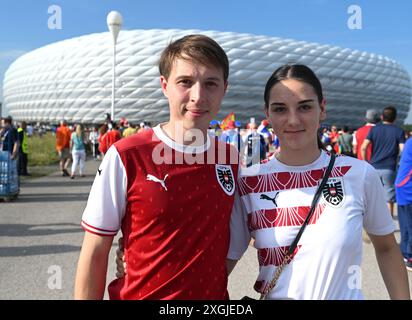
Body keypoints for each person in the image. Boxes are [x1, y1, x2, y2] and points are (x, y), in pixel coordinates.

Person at [74, 34, 239, 300]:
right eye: (185, 82)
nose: (198, 96)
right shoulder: (127, 155)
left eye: (211, 84)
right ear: (164, 85)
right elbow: (95, 250)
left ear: (225, 88)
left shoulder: (231, 160)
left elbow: (248, 232)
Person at [227, 64, 409, 299]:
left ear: (322, 109)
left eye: (304, 107)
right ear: (268, 115)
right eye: (280, 109)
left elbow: (386, 248)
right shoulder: (249, 182)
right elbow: (225, 262)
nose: (293, 120)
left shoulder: (358, 174)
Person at [360, 106, 405, 217]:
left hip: (374, 167)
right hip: (389, 168)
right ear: (395, 118)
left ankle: (373, 219)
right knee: (389, 195)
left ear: (381, 117)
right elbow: (403, 151)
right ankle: (388, 221)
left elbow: (363, 148)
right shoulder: (398, 131)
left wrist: (366, 163)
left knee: (373, 195)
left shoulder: (374, 129)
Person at [395, 137, 412, 272]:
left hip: (404, 186)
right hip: (408, 188)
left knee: (407, 224)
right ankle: (408, 256)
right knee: (408, 225)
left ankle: (406, 253)